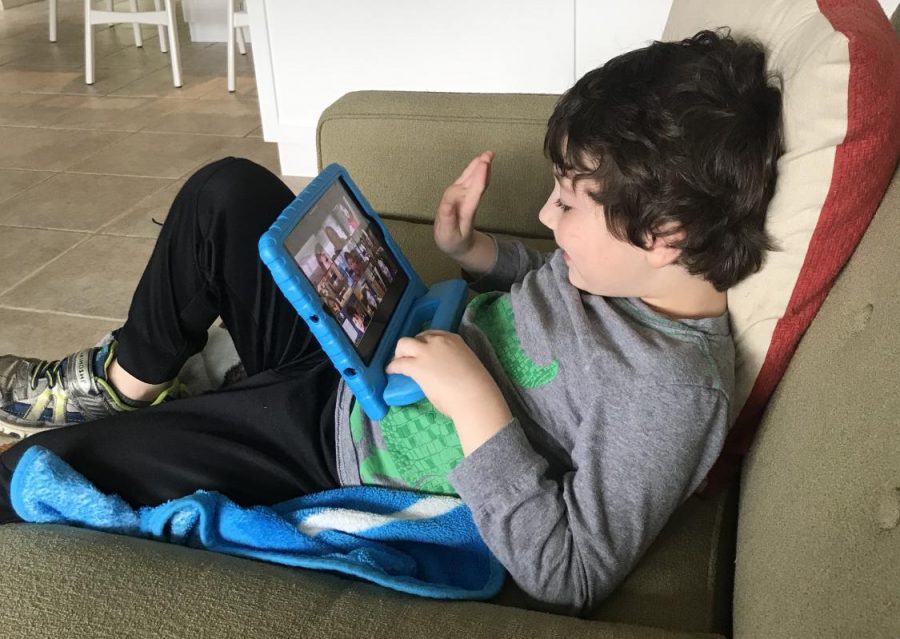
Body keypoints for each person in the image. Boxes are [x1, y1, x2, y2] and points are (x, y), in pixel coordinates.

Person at [0, 29, 782, 616]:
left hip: (333, 440)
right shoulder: (631, 275)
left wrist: (478, 405)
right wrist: (471, 251)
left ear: (666, 234)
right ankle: (127, 382)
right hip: (365, 350)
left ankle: (149, 408)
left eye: (570, 201)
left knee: (40, 471)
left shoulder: (670, 394)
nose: (547, 213)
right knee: (229, 192)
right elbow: (552, 283)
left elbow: (570, 572)